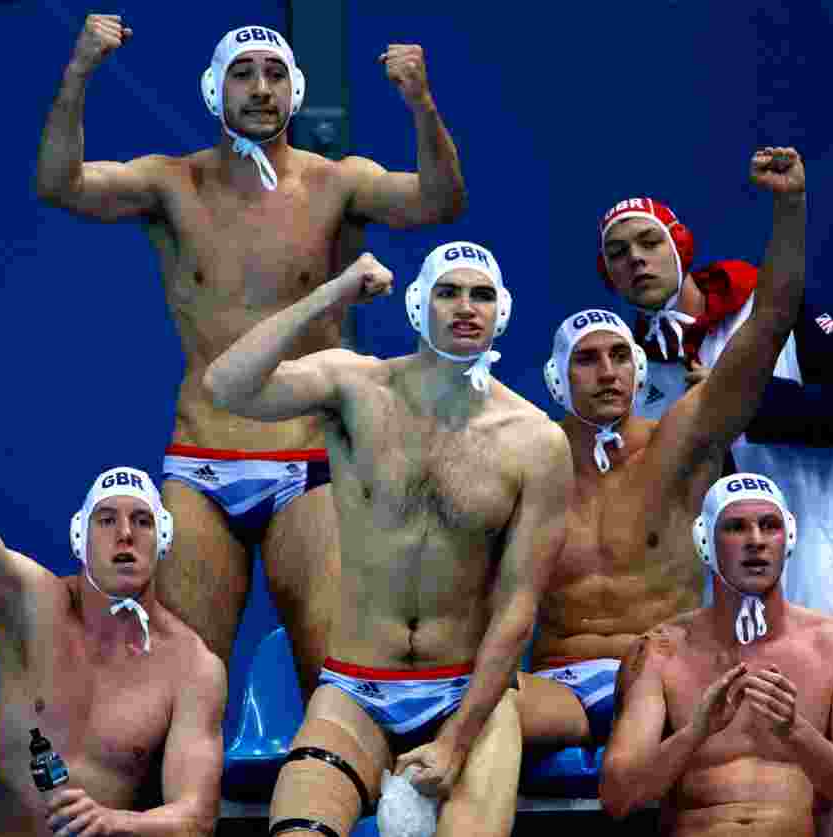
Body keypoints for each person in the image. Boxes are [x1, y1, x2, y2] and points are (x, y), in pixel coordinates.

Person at [35, 16, 468, 696]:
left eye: (274, 75)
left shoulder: (338, 185)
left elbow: (440, 202)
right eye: (244, 74)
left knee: (334, 668)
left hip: (309, 457)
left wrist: (420, 102)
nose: (260, 89)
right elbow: (61, 184)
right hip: (204, 457)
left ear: (294, 91)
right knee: (180, 679)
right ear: (214, 91)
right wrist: (81, 69)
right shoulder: (172, 185)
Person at [203, 243, 572, 837]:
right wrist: (334, 291)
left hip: (466, 695)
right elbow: (225, 385)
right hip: (356, 686)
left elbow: (517, 610)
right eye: (448, 292)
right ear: (418, 304)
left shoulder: (535, 443)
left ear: (501, 313)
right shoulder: (354, 387)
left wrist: (455, 743)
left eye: (481, 294)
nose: (465, 307)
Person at [513, 147, 807, 756]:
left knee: (740, 732)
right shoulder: (524, 458)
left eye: (620, 357)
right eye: (587, 359)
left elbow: (771, 319)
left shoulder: (676, 444)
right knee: (473, 720)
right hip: (558, 682)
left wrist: (790, 206)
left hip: (663, 675)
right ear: (556, 379)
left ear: (640, 368)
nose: (607, 373)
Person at [0, 317, 224, 837]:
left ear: (163, 540)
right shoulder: (29, 604)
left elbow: (197, 818)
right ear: (80, 538)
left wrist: (115, 822)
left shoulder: (190, 667)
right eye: (107, 520)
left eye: (141, 521)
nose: (124, 535)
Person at [596, 191, 833, 616]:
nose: (636, 259)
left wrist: (745, 399)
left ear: (680, 246)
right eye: (618, 253)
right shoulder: (632, 377)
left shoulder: (771, 314)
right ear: (608, 274)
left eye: (649, 242)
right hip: (737, 625)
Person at [600, 473, 833, 836]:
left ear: (790, 538)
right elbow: (617, 799)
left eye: (770, 526)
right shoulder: (659, 653)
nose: (756, 541)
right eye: (736, 527)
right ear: (705, 542)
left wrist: (796, 731)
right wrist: (695, 733)